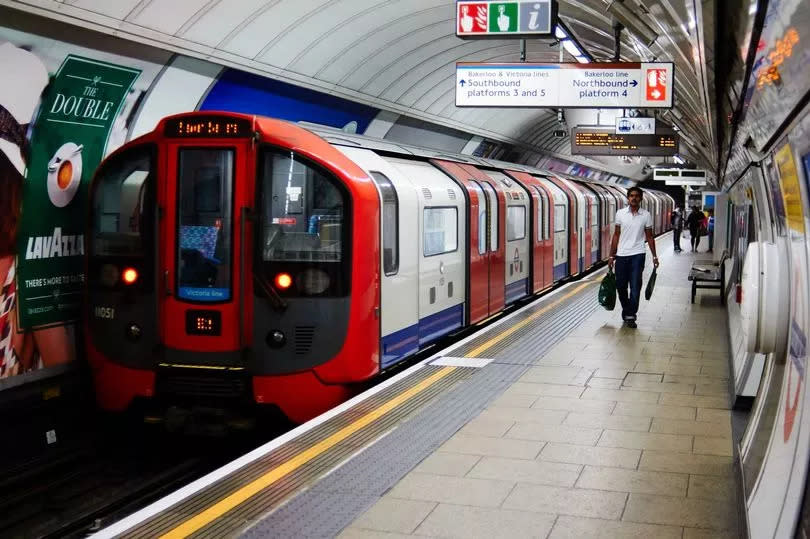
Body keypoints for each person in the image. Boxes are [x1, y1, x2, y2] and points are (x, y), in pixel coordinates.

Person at [608, 186, 659, 328]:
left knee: (635, 286)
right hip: (622, 255)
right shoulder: (620, 214)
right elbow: (616, 235)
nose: (634, 198)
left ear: (641, 199)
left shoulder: (646, 215)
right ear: (628, 198)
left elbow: (649, 236)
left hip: (638, 254)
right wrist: (611, 255)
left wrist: (655, 256)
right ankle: (627, 310)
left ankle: (631, 315)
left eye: (637, 196)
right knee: (621, 286)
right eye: (631, 196)